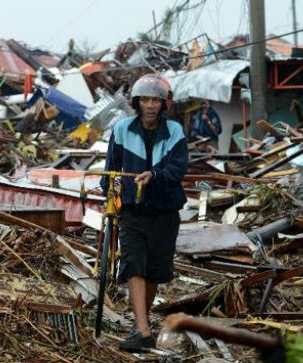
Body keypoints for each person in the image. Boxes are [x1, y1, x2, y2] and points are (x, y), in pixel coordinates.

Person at [101, 73, 188, 352]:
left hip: (164, 211)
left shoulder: (174, 131)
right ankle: (142, 329)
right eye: (145, 99)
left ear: (165, 104)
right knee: (133, 265)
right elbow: (111, 171)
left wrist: (155, 175)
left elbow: (178, 169)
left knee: (153, 272)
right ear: (137, 102)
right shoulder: (122, 130)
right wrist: (112, 201)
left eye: (156, 100)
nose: (150, 105)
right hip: (131, 211)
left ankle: (142, 323)